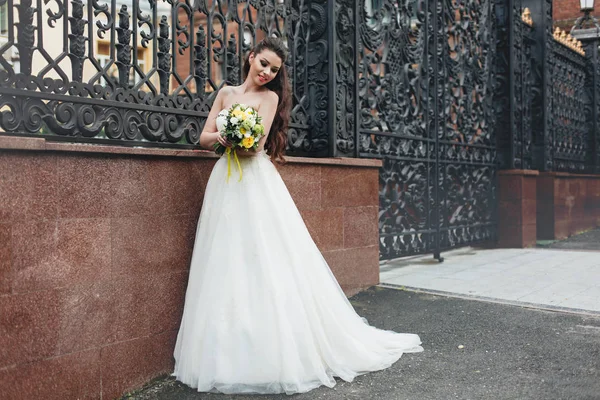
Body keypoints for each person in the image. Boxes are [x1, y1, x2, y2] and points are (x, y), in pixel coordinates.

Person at [172, 37, 423, 395]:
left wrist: (237, 137)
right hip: (225, 184)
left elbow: (256, 145)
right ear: (251, 57)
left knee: (267, 256)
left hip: (256, 183)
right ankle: (227, 348)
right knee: (225, 258)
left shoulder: (270, 98)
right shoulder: (226, 93)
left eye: (274, 69)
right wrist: (225, 137)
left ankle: (276, 346)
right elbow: (203, 137)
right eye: (263, 64)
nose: (266, 73)